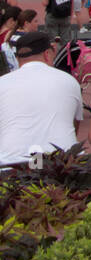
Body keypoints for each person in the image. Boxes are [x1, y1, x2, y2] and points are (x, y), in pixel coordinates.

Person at [0, 30, 83, 165]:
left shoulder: (2, 83)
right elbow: (75, 125)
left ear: (17, 58)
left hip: (12, 164)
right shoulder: (69, 81)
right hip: (62, 164)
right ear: (47, 54)